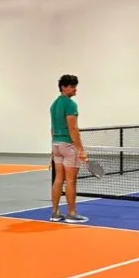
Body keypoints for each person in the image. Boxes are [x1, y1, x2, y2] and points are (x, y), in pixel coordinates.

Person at [49, 74, 88, 223]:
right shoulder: (70, 105)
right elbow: (73, 128)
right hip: (68, 146)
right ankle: (71, 213)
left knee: (58, 179)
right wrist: (80, 150)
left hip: (56, 145)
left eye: (75, 86)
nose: (75, 90)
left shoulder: (54, 104)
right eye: (72, 87)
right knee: (71, 181)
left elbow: (52, 129)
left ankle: (55, 213)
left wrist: (52, 150)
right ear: (63, 88)